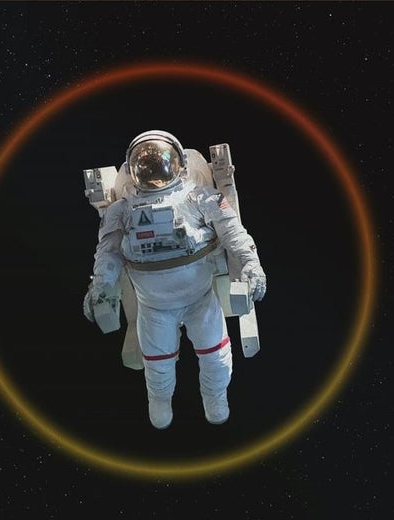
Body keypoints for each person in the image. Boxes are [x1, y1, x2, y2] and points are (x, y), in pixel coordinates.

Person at [84, 130, 266, 429]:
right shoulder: (121, 210)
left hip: (199, 299)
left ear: (179, 163)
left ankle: (215, 397)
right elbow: (108, 253)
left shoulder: (200, 197)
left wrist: (250, 264)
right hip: (153, 306)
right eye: (146, 163)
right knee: (158, 367)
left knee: (217, 359)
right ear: (132, 168)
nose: (154, 169)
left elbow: (234, 234)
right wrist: (100, 286)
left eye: (160, 161)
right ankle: (159, 400)